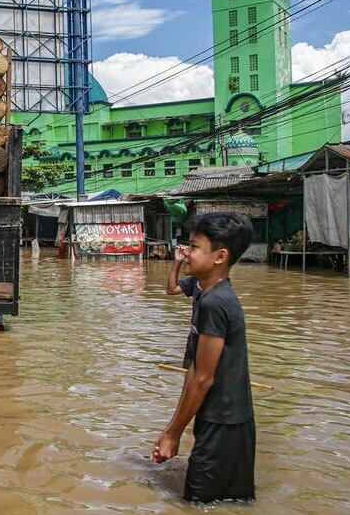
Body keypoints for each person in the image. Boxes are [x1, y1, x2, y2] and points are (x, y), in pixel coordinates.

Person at [152, 212, 256, 504]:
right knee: (226, 502)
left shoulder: (215, 302)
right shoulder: (211, 296)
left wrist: (172, 434)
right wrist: (173, 426)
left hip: (223, 422)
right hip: (223, 418)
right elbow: (195, 369)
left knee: (197, 503)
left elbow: (203, 377)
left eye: (195, 247)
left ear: (220, 257)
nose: (187, 255)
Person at [166, 243, 202, 369]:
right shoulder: (195, 279)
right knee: (188, 372)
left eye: (193, 249)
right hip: (193, 338)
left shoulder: (217, 295)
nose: (185, 253)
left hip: (205, 343)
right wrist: (177, 262)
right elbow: (171, 290)